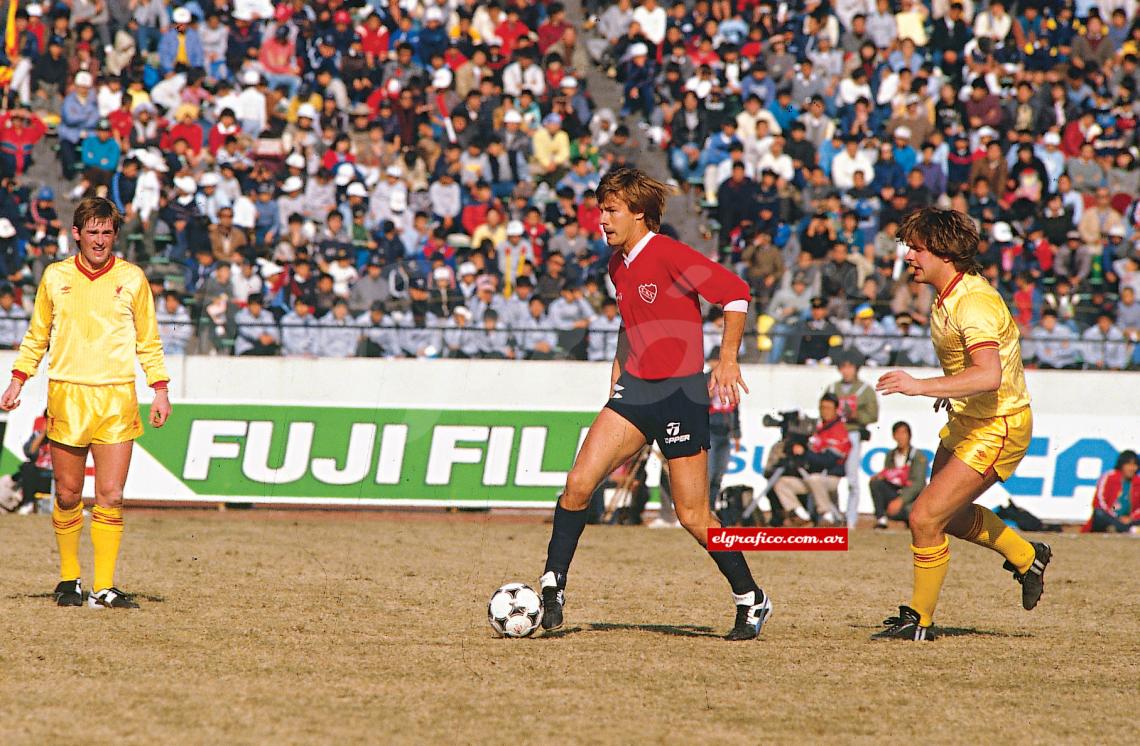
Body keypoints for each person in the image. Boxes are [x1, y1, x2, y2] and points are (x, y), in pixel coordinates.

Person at [536, 167, 771, 641]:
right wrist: (617, 381)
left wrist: (726, 360)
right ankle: (552, 587)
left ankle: (751, 598)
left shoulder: (668, 253)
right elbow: (630, 325)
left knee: (693, 516)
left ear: (639, 214)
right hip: (636, 393)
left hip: (681, 394)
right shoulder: (616, 265)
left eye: (610, 210)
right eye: (600, 210)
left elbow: (736, 294)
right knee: (578, 484)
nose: (600, 220)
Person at [874, 207, 1051, 641]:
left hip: (997, 424)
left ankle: (921, 619)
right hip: (969, 417)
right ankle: (1028, 556)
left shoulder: (972, 303)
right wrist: (952, 390)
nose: (909, 256)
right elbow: (973, 372)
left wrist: (924, 386)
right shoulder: (947, 294)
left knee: (925, 517)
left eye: (916, 248)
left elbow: (989, 374)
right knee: (945, 518)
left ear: (943, 252)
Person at [1, 197, 172, 610]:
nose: (99, 240)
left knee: (111, 495)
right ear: (76, 234)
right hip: (68, 393)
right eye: (91, 232)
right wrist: (17, 379)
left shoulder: (132, 279)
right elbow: (37, 334)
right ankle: (69, 581)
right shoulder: (55, 276)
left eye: (106, 232)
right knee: (67, 493)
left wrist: (160, 388)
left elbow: (148, 339)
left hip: (116, 396)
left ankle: (106, 587)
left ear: (115, 235)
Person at [772, 393, 850, 526]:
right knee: (781, 483)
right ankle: (801, 516)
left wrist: (804, 452)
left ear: (836, 410)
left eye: (828, 408)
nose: (824, 411)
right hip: (811, 477)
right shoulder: (817, 427)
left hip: (830, 477)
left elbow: (828, 460)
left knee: (814, 478)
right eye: (822, 407)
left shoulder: (839, 430)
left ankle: (827, 516)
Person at [825, 354, 879, 529]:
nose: (847, 371)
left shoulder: (865, 389)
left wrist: (856, 415)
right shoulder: (833, 388)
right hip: (833, 435)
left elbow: (873, 415)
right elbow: (823, 410)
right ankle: (834, 516)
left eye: (850, 367)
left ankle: (851, 521)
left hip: (853, 433)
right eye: (843, 367)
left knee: (852, 480)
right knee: (828, 478)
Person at [868, 421, 929, 529]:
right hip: (895, 494)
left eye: (903, 433)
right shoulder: (890, 455)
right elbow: (890, 476)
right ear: (893, 436)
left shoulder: (918, 456)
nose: (900, 437)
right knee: (876, 483)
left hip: (910, 499)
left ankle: (910, 519)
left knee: (910, 512)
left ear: (909, 436)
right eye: (897, 433)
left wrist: (901, 500)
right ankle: (881, 519)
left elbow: (919, 484)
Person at [1084, 451, 1138, 534]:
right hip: (1110, 514)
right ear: (1121, 465)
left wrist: (1131, 518)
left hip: (1128, 519)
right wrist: (1116, 517)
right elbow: (1100, 502)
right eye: (1128, 464)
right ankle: (1126, 529)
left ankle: (1122, 528)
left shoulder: (1137, 482)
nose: (1132, 468)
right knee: (1099, 513)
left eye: (1134, 465)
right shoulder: (1109, 477)